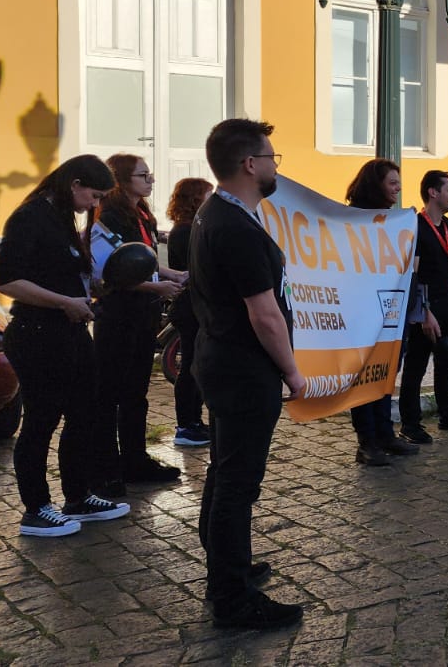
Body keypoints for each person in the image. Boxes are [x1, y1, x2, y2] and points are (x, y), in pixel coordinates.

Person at [188, 119, 305, 629]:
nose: (276, 165)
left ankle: (226, 563)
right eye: (272, 156)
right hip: (242, 370)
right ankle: (231, 598)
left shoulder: (216, 213)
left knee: (225, 470)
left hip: (221, 360)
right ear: (249, 164)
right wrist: (294, 374)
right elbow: (264, 314)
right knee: (238, 481)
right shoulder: (232, 224)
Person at [0, 155, 125, 538]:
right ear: (75, 184)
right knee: (41, 420)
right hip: (37, 335)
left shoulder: (65, 218)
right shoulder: (30, 217)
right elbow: (5, 278)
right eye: (94, 195)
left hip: (72, 333)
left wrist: (91, 291)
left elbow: (65, 274)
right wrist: (63, 302)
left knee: (85, 412)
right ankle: (36, 509)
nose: (94, 204)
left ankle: (78, 496)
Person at [87, 154, 186, 494]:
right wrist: (156, 286)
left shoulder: (142, 211)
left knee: (136, 393)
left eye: (150, 174)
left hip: (144, 313)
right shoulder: (110, 216)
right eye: (143, 175)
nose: (151, 180)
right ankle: (106, 466)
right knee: (110, 393)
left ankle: (135, 459)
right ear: (122, 180)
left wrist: (173, 274)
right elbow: (110, 273)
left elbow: (146, 262)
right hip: (119, 315)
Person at [341, 160, 416, 466]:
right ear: (375, 184)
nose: (398, 189)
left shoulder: (393, 220)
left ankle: (386, 434)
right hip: (361, 314)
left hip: (391, 314)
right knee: (364, 379)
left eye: (399, 183)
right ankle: (367, 442)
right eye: (392, 183)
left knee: (385, 375)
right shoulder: (352, 219)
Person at [398, 170, 448, 445]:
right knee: (416, 366)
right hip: (426, 308)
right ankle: (410, 424)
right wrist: (424, 312)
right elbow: (414, 273)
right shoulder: (416, 227)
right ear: (433, 193)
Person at [166, 178, 215, 448]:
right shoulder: (185, 231)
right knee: (191, 366)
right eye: (208, 195)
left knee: (196, 365)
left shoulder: (190, 227)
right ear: (195, 198)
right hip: (190, 308)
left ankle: (194, 421)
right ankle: (186, 424)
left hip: (196, 306)